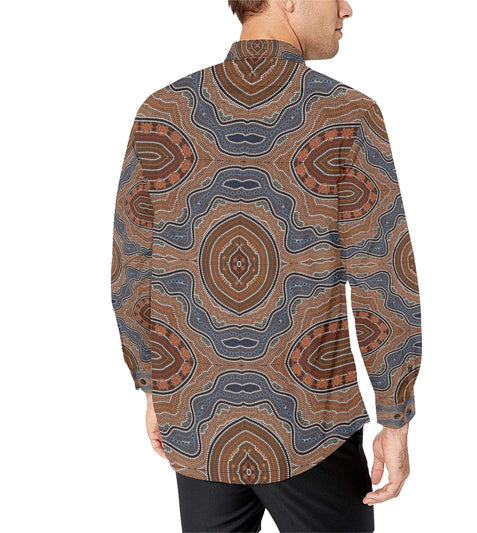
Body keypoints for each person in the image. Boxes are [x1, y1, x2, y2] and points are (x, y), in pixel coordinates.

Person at [110, 0, 423, 531]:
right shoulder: (345, 114)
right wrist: (395, 415)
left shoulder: (163, 111)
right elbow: (383, 273)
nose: (347, 9)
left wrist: (156, 385)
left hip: (200, 420)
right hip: (309, 425)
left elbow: (132, 267)